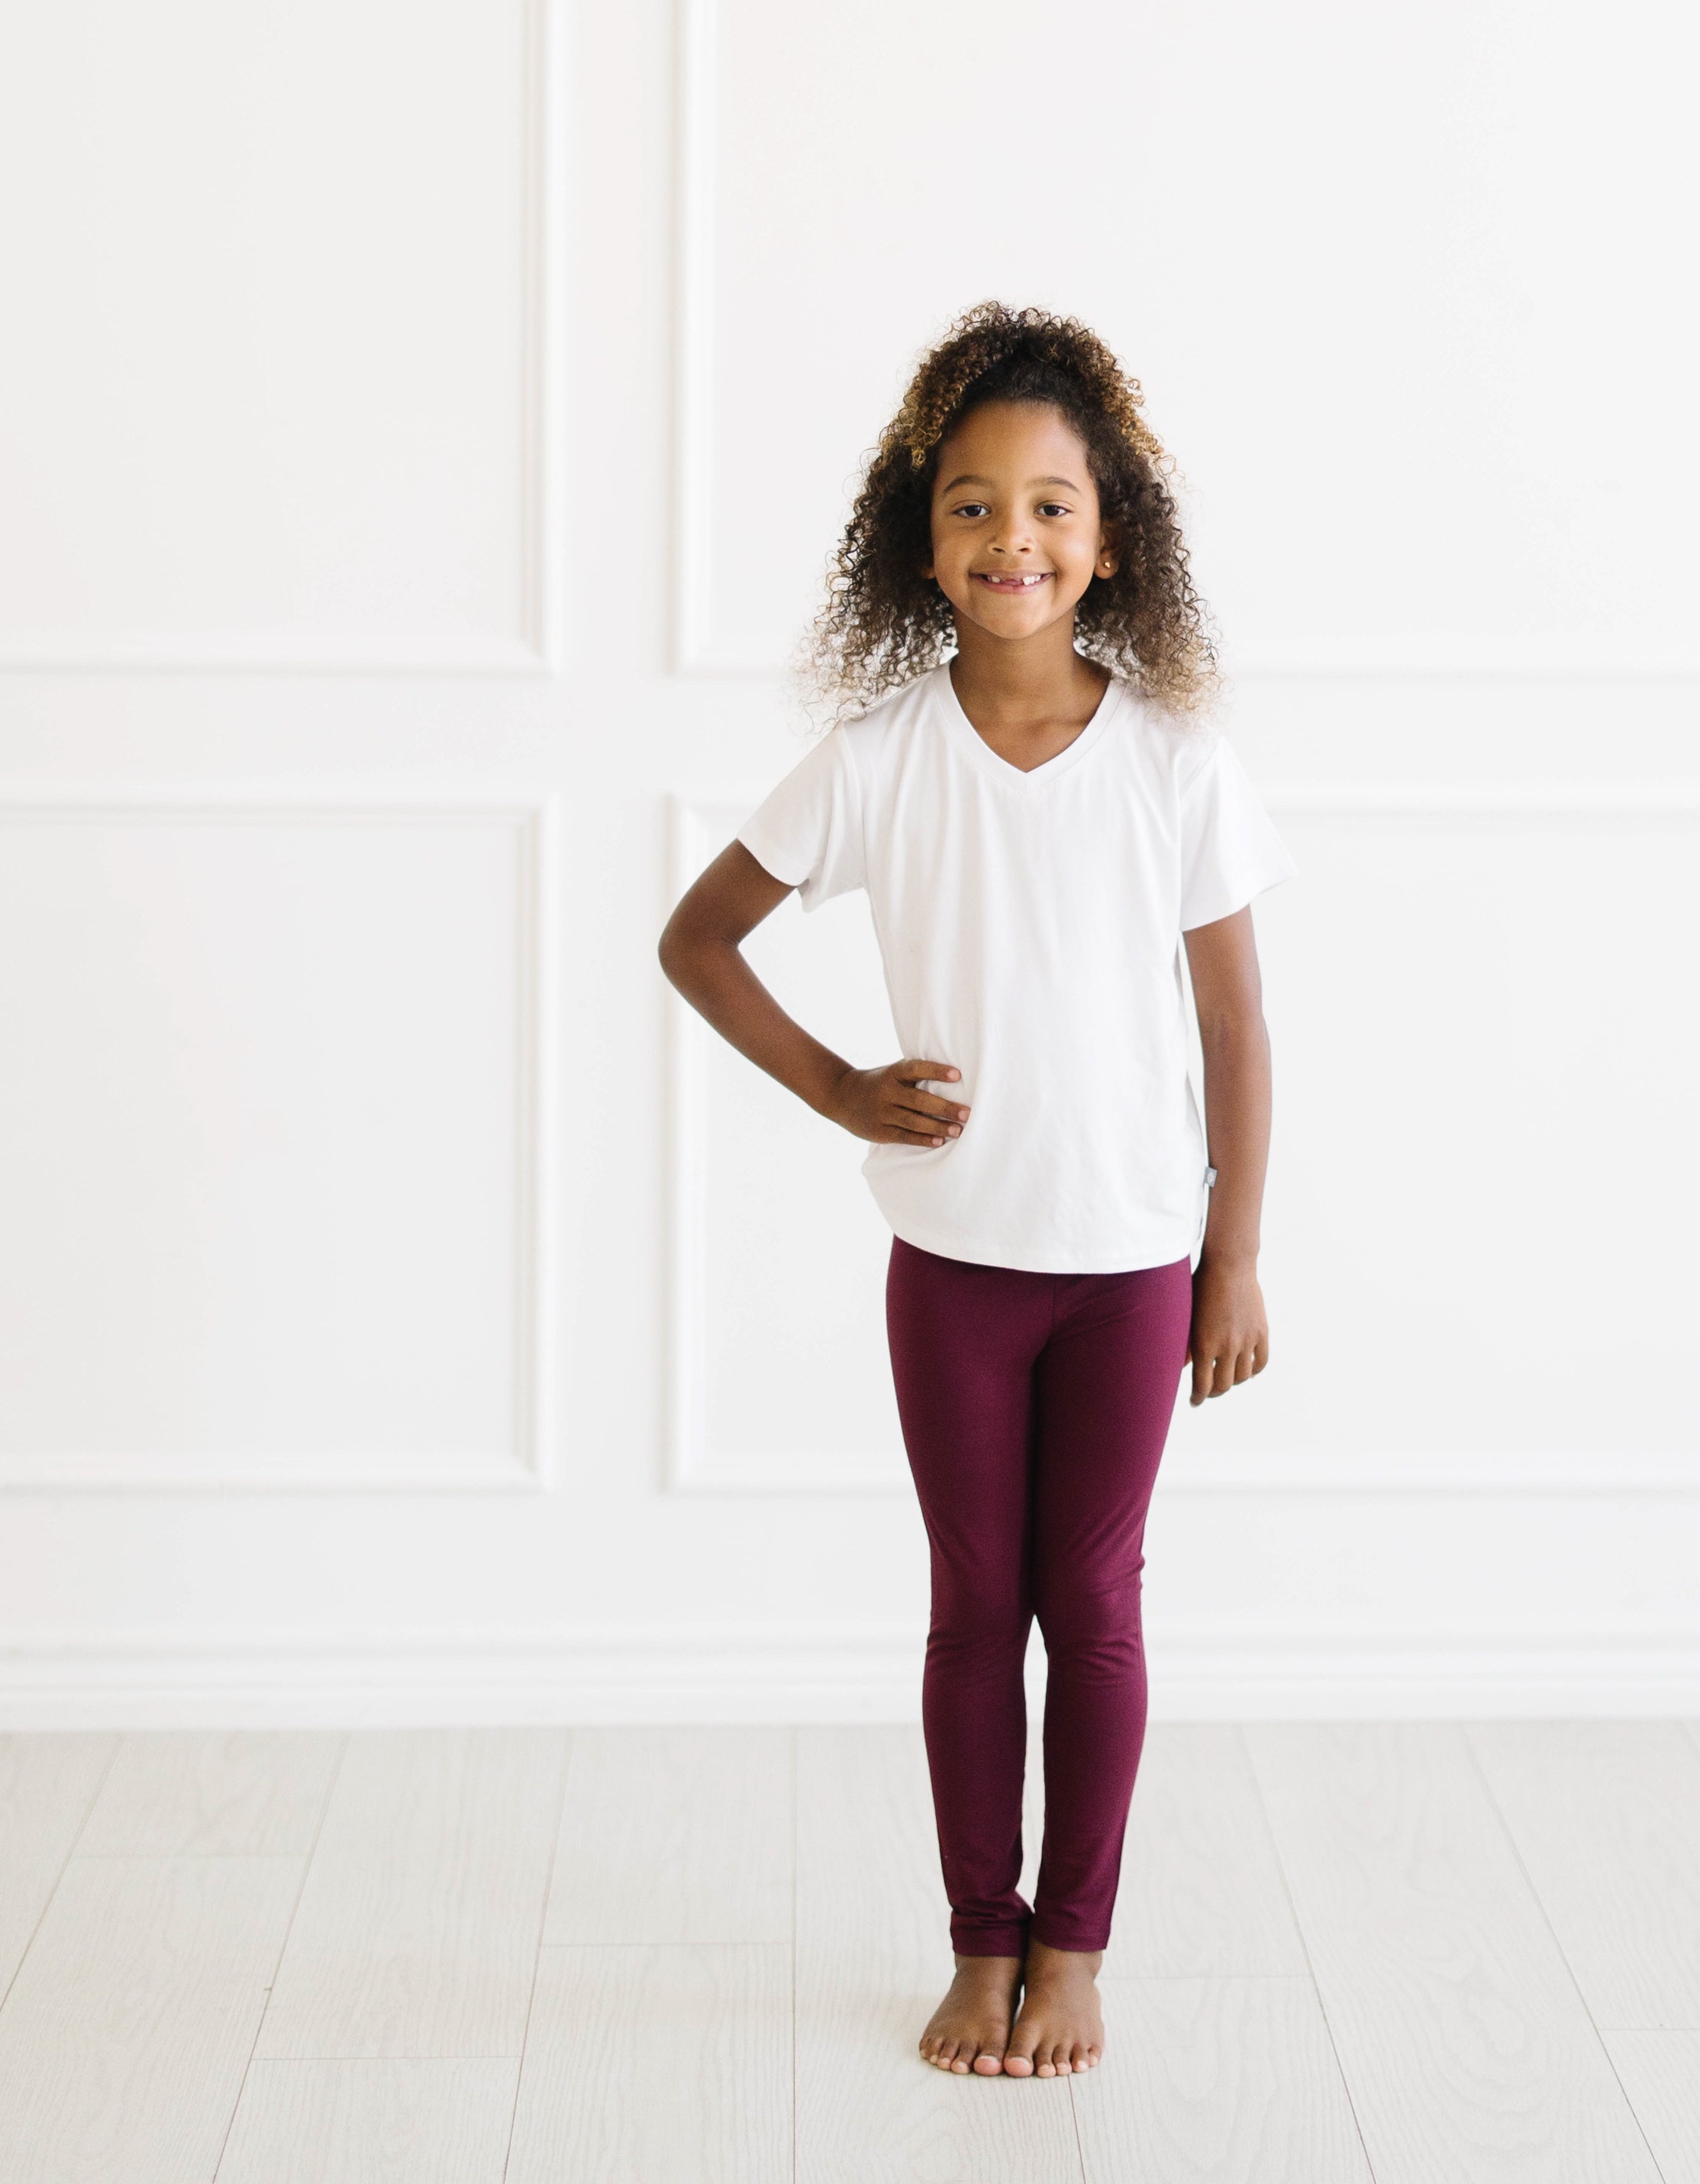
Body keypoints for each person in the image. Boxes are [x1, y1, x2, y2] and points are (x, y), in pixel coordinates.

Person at [658, 302, 1293, 2082]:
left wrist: (1232, 1252)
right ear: (916, 537)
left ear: (1110, 539)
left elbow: (1238, 1030)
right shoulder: (876, 762)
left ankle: (1073, 1949)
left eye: (1049, 506)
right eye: (969, 505)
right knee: (970, 1606)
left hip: (1131, 1266)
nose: (1010, 539)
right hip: (954, 1266)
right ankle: (977, 1937)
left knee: (1090, 1608)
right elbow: (698, 940)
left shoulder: (1178, 764)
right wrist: (840, 1086)